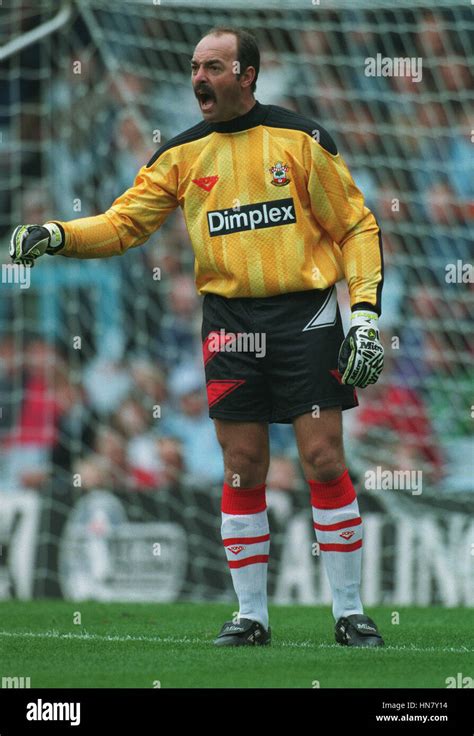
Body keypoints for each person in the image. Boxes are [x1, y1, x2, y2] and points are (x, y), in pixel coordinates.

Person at [10, 27, 385, 647]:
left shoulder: (300, 138)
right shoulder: (180, 155)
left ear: (248, 76)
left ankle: (349, 612)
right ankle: (252, 618)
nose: (198, 78)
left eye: (213, 66)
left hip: (306, 316)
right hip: (231, 322)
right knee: (242, 466)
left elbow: (357, 225)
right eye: (193, 67)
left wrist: (365, 313)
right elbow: (123, 224)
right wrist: (58, 233)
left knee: (322, 458)